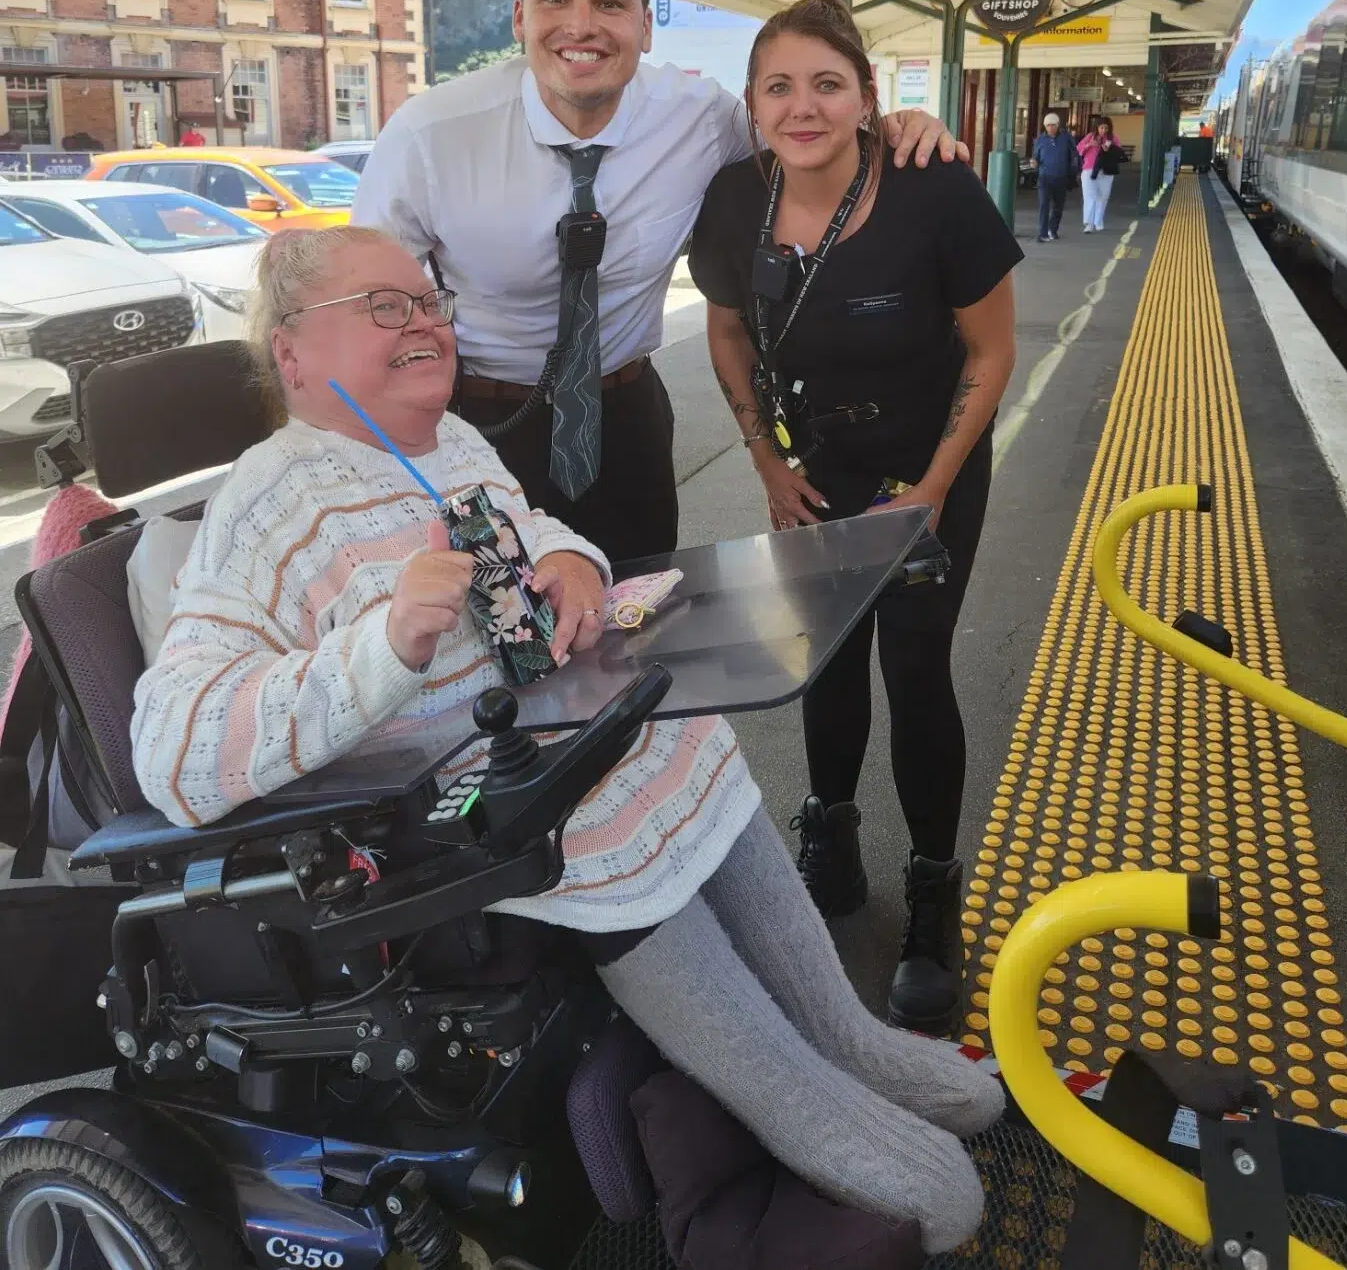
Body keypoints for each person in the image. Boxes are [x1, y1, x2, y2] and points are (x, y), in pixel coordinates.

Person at [129, 225, 1004, 1253]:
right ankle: (795, 1091)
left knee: (681, 725)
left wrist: (575, 564)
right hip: (471, 814)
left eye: (428, 300)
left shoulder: (446, 443)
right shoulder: (265, 507)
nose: (423, 323)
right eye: (383, 307)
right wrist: (379, 646)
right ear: (292, 352)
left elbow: (535, 528)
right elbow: (174, 750)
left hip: (558, 730)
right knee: (601, 810)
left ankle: (848, 1039)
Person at [352, 0, 965, 566]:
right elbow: (357, 310)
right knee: (501, 639)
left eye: (610, 2)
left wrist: (894, 131)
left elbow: (804, 134)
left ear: (646, 25)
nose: (581, 25)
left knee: (639, 622)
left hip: (628, 422)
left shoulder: (702, 118)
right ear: (520, 15)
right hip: (483, 421)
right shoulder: (429, 137)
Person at [688, 0, 1019, 1037]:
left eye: (827, 83)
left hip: (932, 469)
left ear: (869, 100)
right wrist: (767, 462)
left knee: (916, 669)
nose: (803, 105)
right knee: (824, 658)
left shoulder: (935, 189)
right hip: (814, 474)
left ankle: (931, 892)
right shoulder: (735, 199)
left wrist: (929, 492)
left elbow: (992, 351)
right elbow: (731, 333)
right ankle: (830, 836)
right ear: (752, 105)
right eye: (779, 85)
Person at [1031, 110, 1079, 243]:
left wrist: (1074, 172)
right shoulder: (1040, 140)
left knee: (1058, 206)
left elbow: (1074, 155)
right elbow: (1036, 156)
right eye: (1048, 125)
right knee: (1044, 205)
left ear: (1058, 125)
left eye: (1053, 125)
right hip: (1045, 177)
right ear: (1044, 126)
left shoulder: (1066, 137)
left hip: (1061, 177)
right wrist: (1034, 162)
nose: (1051, 128)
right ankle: (1042, 233)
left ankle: (1053, 229)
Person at [1077, 115, 1123, 233]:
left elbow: (1119, 154)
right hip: (1089, 170)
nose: (1103, 131)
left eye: (1106, 128)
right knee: (1089, 196)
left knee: (1103, 196)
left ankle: (1099, 221)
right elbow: (1078, 149)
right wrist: (1089, 145)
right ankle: (1089, 223)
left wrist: (1109, 149)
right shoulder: (1090, 137)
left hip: (1106, 171)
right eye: (1101, 128)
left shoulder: (1113, 138)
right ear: (1097, 127)